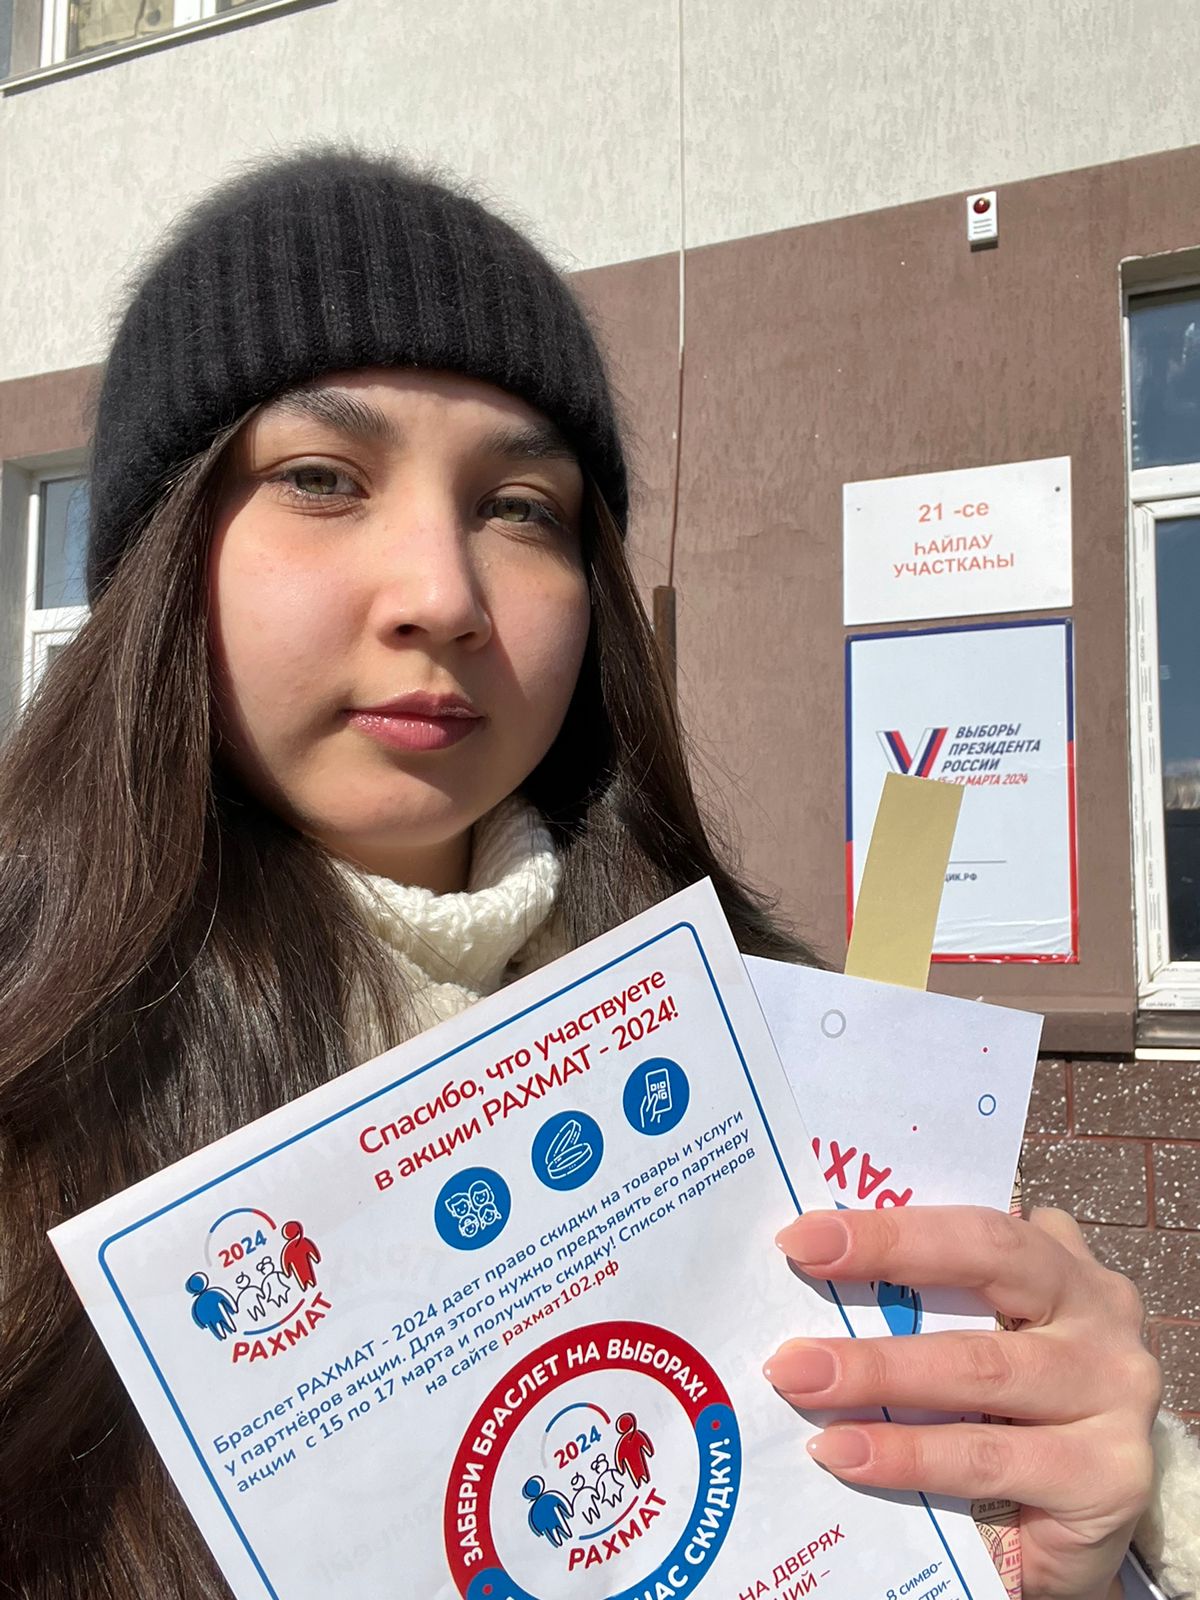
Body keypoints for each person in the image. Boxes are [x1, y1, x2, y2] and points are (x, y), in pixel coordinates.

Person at [0, 143, 1194, 1600]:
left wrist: (1069, 1545)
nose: (442, 594)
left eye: (521, 506)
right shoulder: (30, 1094)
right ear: (161, 560)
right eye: (320, 478)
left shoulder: (780, 1058)